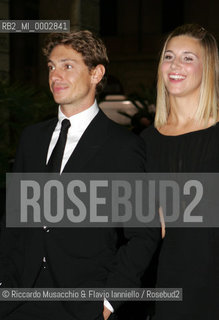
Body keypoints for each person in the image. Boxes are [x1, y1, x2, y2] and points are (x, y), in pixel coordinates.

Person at [0, 30, 160, 320]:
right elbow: (14, 217)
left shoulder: (123, 147)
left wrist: (110, 300)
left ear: (96, 73)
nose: (55, 75)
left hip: (82, 305)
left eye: (68, 65)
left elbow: (143, 234)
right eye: (51, 66)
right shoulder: (31, 139)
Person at [141, 24, 219, 319]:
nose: (175, 65)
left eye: (188, 58)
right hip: (167, 287)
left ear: (207, 68)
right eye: (169, 56)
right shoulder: (146, 143)